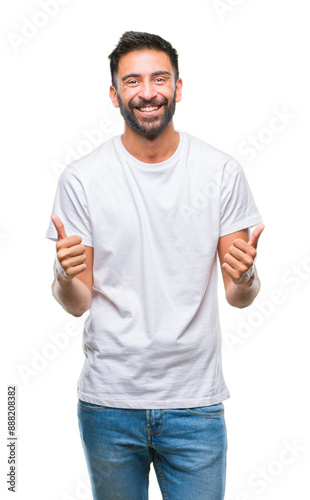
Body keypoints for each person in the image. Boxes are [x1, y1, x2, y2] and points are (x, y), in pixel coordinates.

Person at [46, 31, 264, 500]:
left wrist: (247, 276)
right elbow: (76, 303)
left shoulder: (219, 172)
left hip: (195, 406)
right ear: (115, 94)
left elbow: (238, 295)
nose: (147, 92)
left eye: (159, 78)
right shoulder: (82, 179)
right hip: (110, 405)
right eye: (132, 81)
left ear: (178, 88)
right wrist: (64, 275)